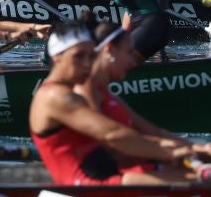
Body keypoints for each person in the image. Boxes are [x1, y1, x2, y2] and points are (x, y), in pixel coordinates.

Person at [29, 22, 199, 185]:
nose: (87, 64)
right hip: (89, 188)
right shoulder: (54, 96)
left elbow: (131, 135)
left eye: (90, 56)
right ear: (57, 56)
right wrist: (167, 153)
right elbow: (112, 134)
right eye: (78, 57)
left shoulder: (71, 92)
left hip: (105, 179)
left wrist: (192, 149)